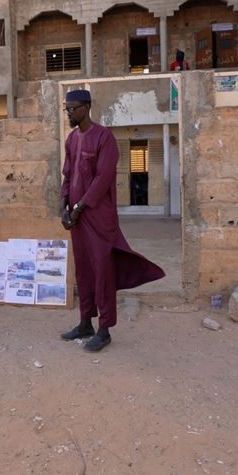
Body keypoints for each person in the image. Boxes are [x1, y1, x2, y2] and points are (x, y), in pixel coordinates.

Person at [59, 89, 165, 352]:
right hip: (77, 219)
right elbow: (68, 174)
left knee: (102, 271)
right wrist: (63, 207)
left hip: (98, 217)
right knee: (83, 270)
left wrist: (80, 206)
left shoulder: (104, 138)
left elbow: (103, 178)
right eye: (66, 109)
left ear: (86, 107)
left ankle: (104, 329)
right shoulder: (72, 139)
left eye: (73, 108)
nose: (69, 113)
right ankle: (86, 322)